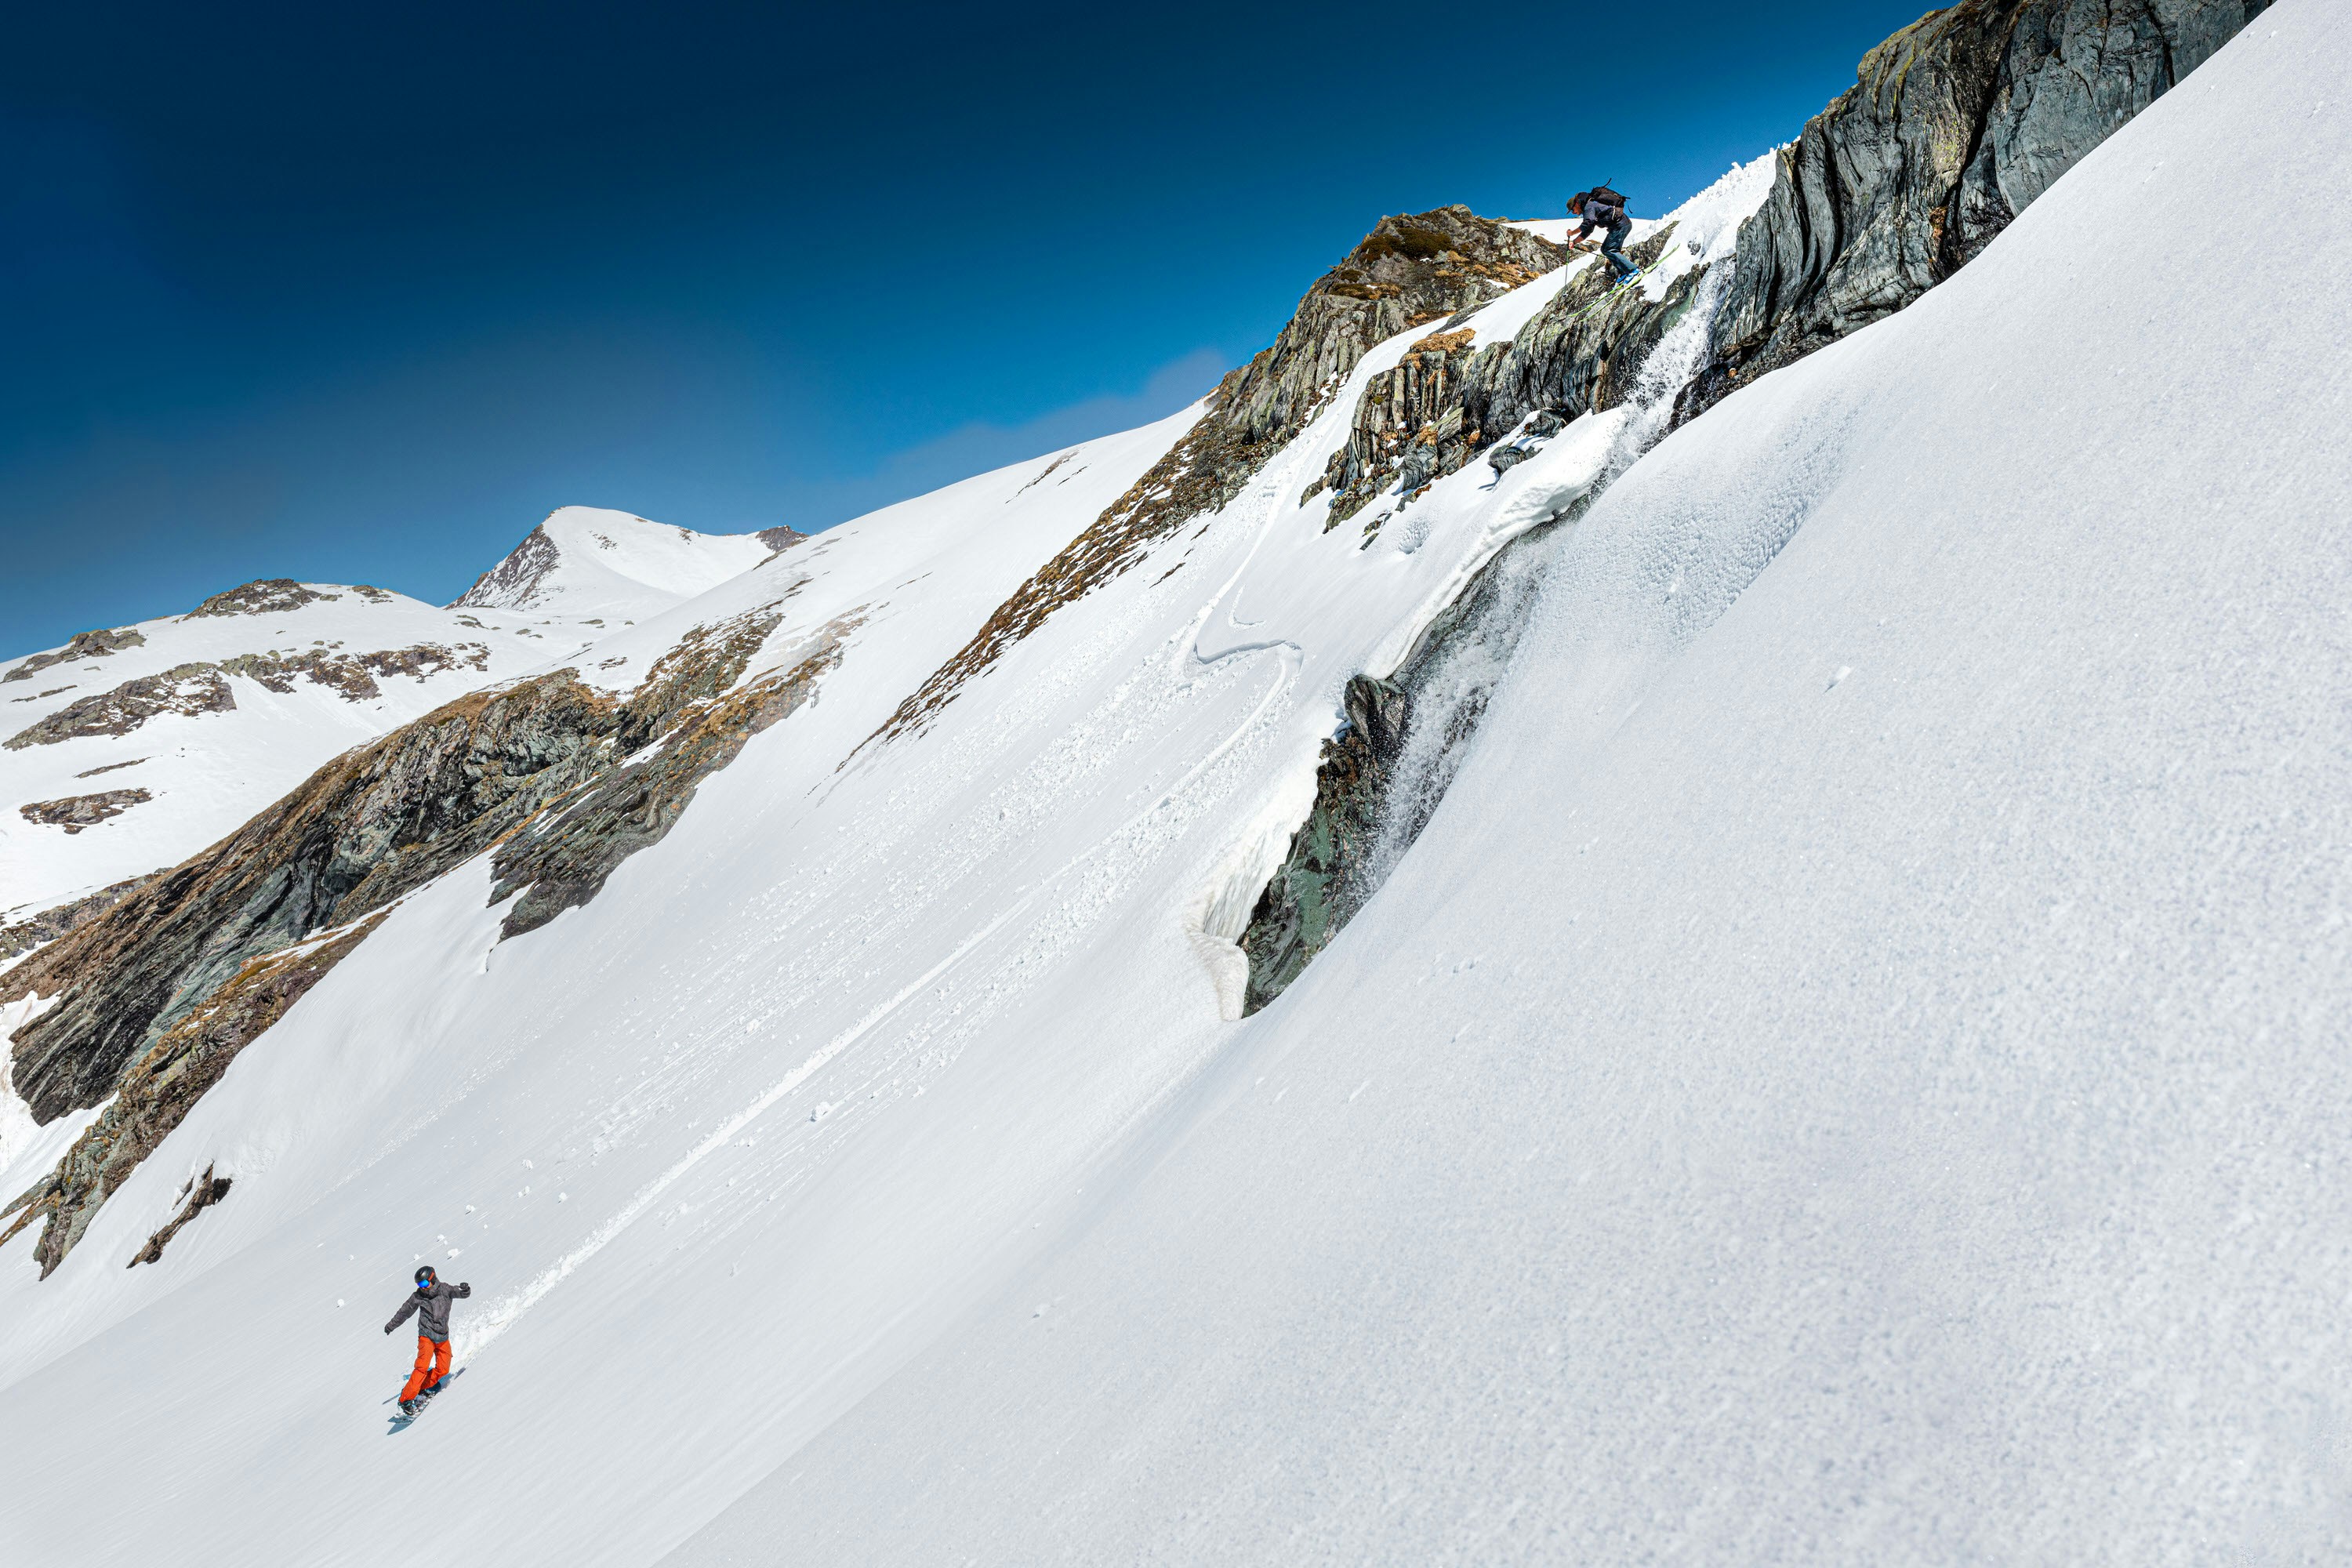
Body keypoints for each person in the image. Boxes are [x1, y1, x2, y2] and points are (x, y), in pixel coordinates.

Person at [384, 1265, 471, 1416]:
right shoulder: (418, 1296)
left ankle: (424, 1386)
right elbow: (404, 1312)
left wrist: (465, 1290)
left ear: (432, 1279)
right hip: (426, 1335)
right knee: (421, 1367)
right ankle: (405, 1399)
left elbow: (461, 1293)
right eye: (419, 1285)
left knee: (443, 1369)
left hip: (443, 1336)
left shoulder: (445, 1290)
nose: (422, 1288)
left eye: (424, 1284)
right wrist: (391, 1325)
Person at [1568, 186, 1640, 285]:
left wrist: (1572, 233)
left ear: (1577, 204)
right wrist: (1574, 242)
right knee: (1605, 249)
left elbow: (1588, 222)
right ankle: (1624, 272)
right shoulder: (1590, 208)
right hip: (1619, 226)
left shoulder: (1589, 207)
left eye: (1572, 210)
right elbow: (1587, 231)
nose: (1573, 213)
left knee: (1610, 249)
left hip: (1621, 225)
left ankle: (1633, 270)